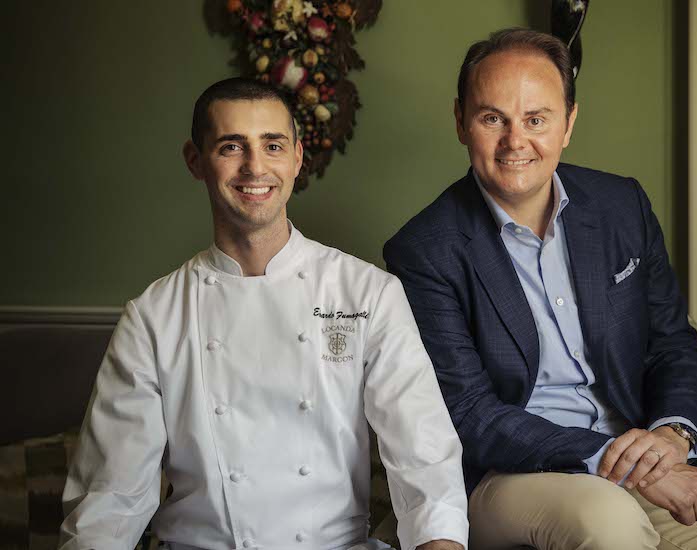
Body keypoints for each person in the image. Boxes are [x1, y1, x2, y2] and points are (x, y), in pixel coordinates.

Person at [384, 28, 697, 549]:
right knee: (606, 523)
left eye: (536, 119)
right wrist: (619, 462)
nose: (515, 141)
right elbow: (471, 413)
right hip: (513, 477)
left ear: (569, 123)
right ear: (460, 121)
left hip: (645, 458)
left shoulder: (621, 205)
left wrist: (671, 437)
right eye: (491, 118)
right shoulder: (424, 250)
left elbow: (672, 344)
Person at [60, 78, 468, 550]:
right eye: (232, 147)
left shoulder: (367, 294)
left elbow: (425, 463)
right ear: (196, 161)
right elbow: (110, 499)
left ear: (296, 157)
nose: (255, 167)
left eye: (272, 145)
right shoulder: (153, 317)